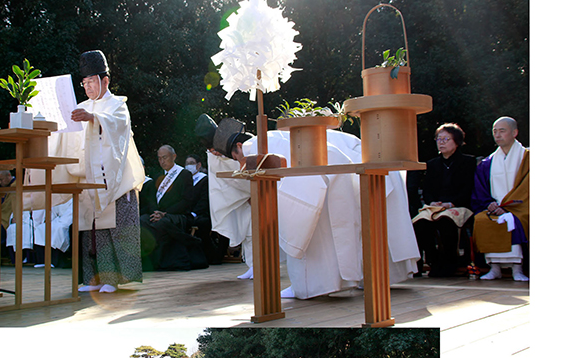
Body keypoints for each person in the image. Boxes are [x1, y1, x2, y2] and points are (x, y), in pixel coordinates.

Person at [198, 114, 418, 297]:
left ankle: (311, 286)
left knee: (306, 219)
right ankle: (360, 277)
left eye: (236, 158)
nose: (240, 163)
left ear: (238, 145)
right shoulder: (267, 139)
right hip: (342, 172)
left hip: (325, 176)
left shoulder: (254, 146)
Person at [58, 49, 146, 292]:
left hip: (117, 181)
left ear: (105, 80)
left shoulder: (118, 105)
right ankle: (93, 279)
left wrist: (93, 118)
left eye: (91, 82)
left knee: (114, 229)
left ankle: (114, 278)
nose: (87, 87)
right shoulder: (81, 106)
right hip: (90, 178)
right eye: (84, 83)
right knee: (92, 229)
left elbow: (116, 127)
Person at [411, 123, 476, 277]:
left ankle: (450, 263)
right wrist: (432, 202)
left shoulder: (468, 162)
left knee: (445, 221)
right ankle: (434, 261)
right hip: (436, 206)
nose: (441, 142)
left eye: (446, 139)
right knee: (420, 223)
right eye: (439, 139)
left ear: (457, 141)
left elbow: (468, 188)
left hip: (458, 204)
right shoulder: (433, 164)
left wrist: (451, 203)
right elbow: (427, 189)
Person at [471, 115, 529, 281]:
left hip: (521, 207)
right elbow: (480, 188)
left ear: (515, 132)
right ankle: (494, 267)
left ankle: (518, 269)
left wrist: (512, 205)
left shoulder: (527, 158)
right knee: (483, 219)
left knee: (514, 219)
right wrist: (489, 204)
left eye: (502, 131)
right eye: (494, 131)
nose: (497, 134)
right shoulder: (487, 163)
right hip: (494, 207)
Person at [139, 145, 206, 271]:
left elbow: (186, 201)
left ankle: (168, 262)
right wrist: (155, 212)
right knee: (142, 221)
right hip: (159, 214)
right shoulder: (157, 175)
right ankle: (151, 263)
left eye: (165, 157)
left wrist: (165, 213)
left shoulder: (184, 174)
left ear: (174, 157)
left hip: (178, 215)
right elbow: (152, 199)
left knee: (162, 224)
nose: (162, 161)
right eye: (159, 158)